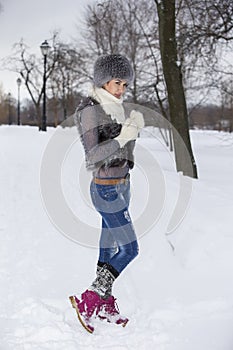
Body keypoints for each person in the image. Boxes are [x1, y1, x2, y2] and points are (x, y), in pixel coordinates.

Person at [69, 54, 144, 332]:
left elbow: (124, 152)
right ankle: (90, 297)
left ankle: (105, 303)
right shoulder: (91, 110)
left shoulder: (117, 108)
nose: (121, 89)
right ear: (103, 81)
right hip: (106, 191)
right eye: (116, 82)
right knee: (130, 249)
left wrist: (132, 132)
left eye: (125, 84)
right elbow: (93, 156)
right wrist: (124, 135)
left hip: (123, 186)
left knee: (109, 247)